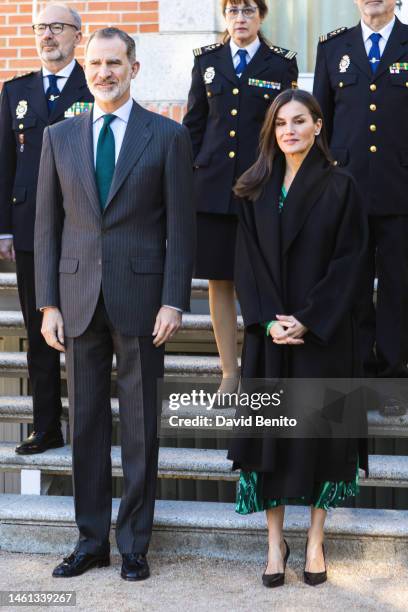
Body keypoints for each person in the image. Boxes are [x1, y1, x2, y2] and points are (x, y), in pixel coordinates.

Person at [34, 27, 195, 580]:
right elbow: (47, 227)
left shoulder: (168, 137)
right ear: (86, 68)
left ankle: (133, 544)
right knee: (85, 426)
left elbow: (182, 227)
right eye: (96, 63)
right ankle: (89, 540)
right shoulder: (59, 136)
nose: (105, 72)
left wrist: (175, 299)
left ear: (134, 68)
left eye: (115, 63)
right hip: (77, 300)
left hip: (144, 300)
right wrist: (47, 303)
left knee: (140, 428)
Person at [228, 89, 368, 587]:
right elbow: (245, 264)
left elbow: (350, 262)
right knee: (272, 440)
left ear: (318, 125)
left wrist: (307, 320)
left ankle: (313, 540)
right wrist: (268, 320)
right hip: (270, 336)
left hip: (323, 334)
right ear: (272, 130)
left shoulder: (341, 185)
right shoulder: (252, 187)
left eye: (299, 121)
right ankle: (273, 544)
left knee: (320, 439)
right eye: (281, 123)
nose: (289, 130)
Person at [183, 0, 298, 395]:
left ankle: (258, 371)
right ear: (225, 16)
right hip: (212, 188)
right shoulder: (207, 61)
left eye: (248, 10)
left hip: (260, 187)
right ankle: (229, 372)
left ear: (261, 16)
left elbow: (286, 129)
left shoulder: (281, 63)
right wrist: (187, 178)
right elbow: (193, 125)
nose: (240, 18)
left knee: (261, 279)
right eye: (232, 10)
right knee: (220, 281)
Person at [0, 2, 93, 455]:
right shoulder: (15, 91)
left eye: (57, 27)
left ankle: (86, 424)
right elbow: (3, 163)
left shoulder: (93, 84)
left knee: (82, 329)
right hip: (30, 227)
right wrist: (3, 230)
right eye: (40, 28)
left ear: (78, 34)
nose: (47, 36)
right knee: (40, 331)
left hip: (80, 225)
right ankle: (45, 425)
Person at [313, 0, 408, 415]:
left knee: (398, 289)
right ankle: (354, 378)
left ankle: (391, 380)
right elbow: (320, 123)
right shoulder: (333, 47)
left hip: (400, 188)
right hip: (346, 191)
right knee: (350, 287)